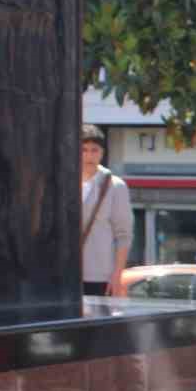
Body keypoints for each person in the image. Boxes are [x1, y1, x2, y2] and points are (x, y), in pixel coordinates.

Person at [80, 124, 133, 297]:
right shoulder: (63, 182)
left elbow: (123, 235)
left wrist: (117, 274)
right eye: (84, 150)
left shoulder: (115, 186)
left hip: (99, 276)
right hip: (65, 273)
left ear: (102, 153)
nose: (89, 155)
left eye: (94, 150)